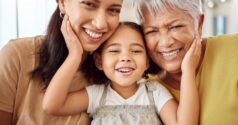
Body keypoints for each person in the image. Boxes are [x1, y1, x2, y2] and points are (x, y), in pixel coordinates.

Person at [42, 22, 201, 125]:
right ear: (99, 61)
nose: (125, 58)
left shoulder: (154, 93)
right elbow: (52, 105)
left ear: (147, 61)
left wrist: (188, 70)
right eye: (114, 51)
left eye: (136, 50)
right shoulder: (98, 95)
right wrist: (74, 56)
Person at [0, 0, 123, 124]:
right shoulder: (16, 56)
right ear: (63, 3)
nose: (101, 23)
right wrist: (74, 57)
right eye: (89, 4)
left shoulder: (115, 77)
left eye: (114, 10)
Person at [133, 0, 238, 125]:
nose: (165, 42)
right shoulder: (142, 90)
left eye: (175, 27)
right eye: (152, 31)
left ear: (199, 24)